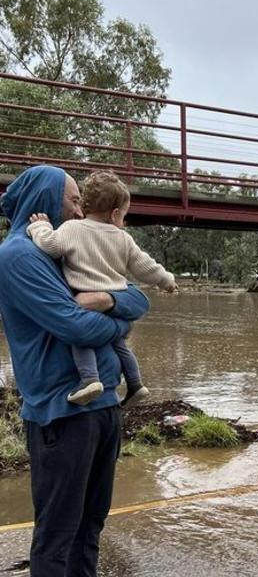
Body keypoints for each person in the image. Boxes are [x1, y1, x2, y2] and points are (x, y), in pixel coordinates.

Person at [0, 165, 150, 577]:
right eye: (71, 199)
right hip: (60, 408)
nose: (80, 208)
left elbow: (140, 295)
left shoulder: (67, 245)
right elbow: (72, 325)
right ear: (44, 195)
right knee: (58, 523)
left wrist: (112, 300)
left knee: (92, 516)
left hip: (102, 401)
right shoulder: (19, 256)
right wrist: (118, 320)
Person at [27, 170, 177, 407]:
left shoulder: (72, 229)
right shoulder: (123, 238)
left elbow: (50, 245)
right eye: (124, 215)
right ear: (115, 213)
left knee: (81, 337)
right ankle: (136, 384)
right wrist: (167, 280)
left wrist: (39, 227)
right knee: (119, 342)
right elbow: (145, 267)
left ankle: (89, 380)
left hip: (84, 297)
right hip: (116, 297)